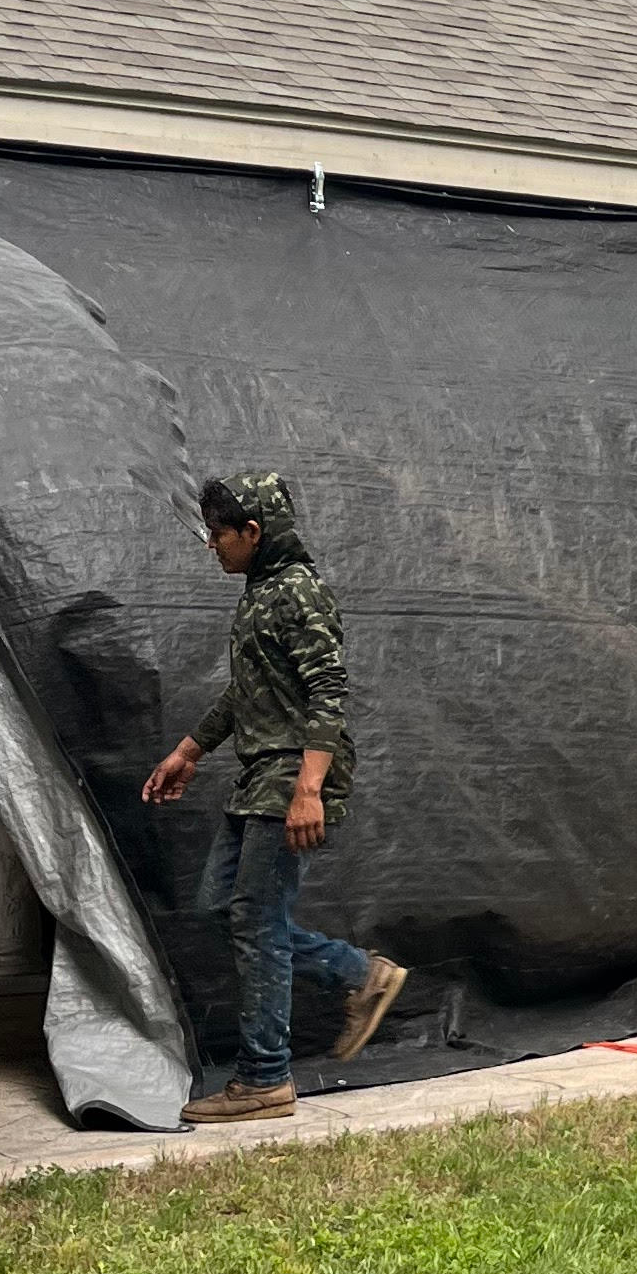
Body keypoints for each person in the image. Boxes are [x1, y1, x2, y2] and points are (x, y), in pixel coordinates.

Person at [141, 473, 408, 1126]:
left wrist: (309, 788)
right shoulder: (261, 593)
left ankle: (264, 1078)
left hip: (289, 774)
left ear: (253, 532)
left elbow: (328, 691)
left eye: (218, 533)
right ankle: (359, 973)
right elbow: (247, 693)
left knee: (257, 922)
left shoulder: (298, 592)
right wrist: (189, 751)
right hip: (260, 774)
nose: (211, 545)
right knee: (223, 909)